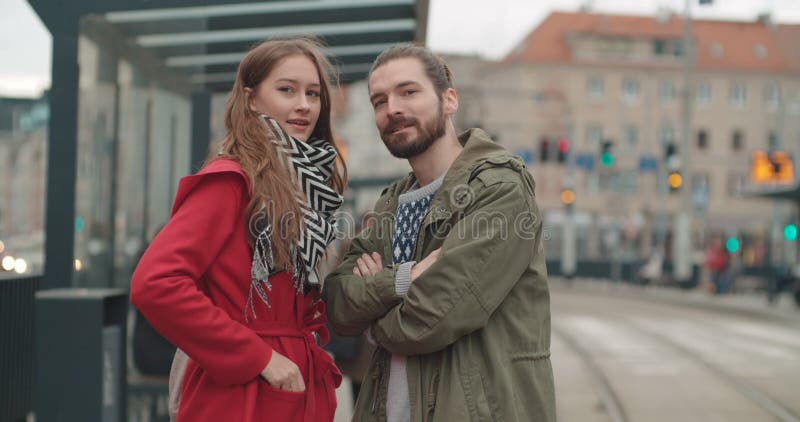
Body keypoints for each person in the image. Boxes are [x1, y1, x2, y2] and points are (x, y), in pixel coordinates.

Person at [323, 44, 556, 422]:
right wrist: (400, 282)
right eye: (379, 101)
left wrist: (372, 321)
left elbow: (429, 319)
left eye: (408, 92)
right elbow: (336, 303)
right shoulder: (391, 202)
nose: (392, 108)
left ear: (449, 100)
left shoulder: (499, 188)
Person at [130, 37, 346, 422]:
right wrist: (260, 358)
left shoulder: (302, 186)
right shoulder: (231, 182)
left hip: (290, 388)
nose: (304, 105)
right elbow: (155, 283)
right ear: (250, 98)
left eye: (313, 94)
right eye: (287, 90)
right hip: (242, 395)